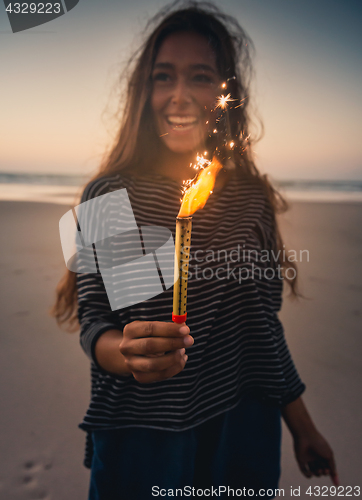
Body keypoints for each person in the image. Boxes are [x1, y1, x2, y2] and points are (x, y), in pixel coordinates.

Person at [52, 2, 338, 498]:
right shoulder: (110, 195)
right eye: (164, 77)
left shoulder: (249, 197)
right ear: (145, 92)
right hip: (143, 434)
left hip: (242, 425)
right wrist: (127, 354)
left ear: (225, 93)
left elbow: (261, 324)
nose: (179, 95)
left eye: (200, 76)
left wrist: (302, 425)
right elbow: (96, 323)